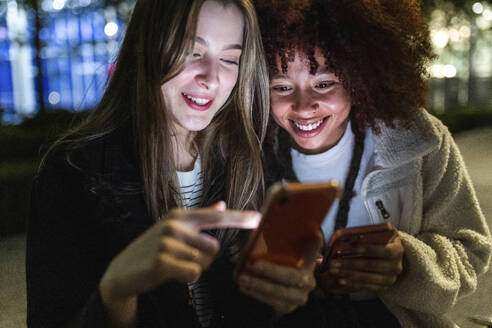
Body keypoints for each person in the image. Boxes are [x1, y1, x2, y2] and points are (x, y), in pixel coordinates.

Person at [26, 1, 317, 327]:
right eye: (192, 52)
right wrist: (117, 290)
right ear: (147, 45)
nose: (212, 78)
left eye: (229, 59)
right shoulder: (74, 172)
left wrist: (287, 299)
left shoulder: (252, 161)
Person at [253, 0, 492, 326]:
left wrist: (407, 265)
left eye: (324, 83)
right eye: (280, 86)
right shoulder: (248, 154)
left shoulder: (420, 141)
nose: (304, 106)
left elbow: (472, 250)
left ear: (360, 74)